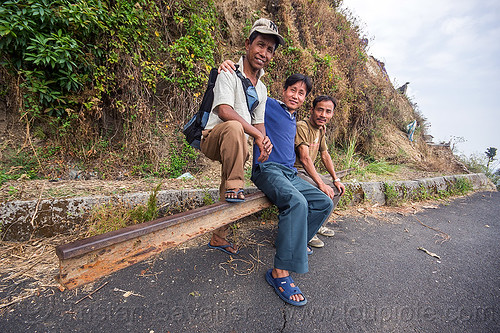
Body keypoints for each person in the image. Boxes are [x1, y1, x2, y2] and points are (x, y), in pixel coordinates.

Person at [203, 18, 284, 255]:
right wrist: (257, 135)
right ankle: (237, 185)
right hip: (214, 137)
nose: (264, 53)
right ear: (248, 44)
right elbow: (225, 111)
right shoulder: (228, 72)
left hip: (238, 145)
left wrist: (263, 147)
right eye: (260, 45)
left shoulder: (261, 88)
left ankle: (219, 236)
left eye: (270, 49)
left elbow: (259, 125)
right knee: (235, 128)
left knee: (228, 183)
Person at [294, 95, 345, 248]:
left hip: (308, 172)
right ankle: (308, 233)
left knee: (336, 189)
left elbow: (325, 154)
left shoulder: (321, 129)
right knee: (322, 191)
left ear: (332, 114)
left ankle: (319, 224)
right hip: (296, 171)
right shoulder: (302, 126)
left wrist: (335, 178)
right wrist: (321, 184)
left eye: (328, 111)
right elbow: (304, 159)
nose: (323, 115)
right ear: (312, 110)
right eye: (320, 110)